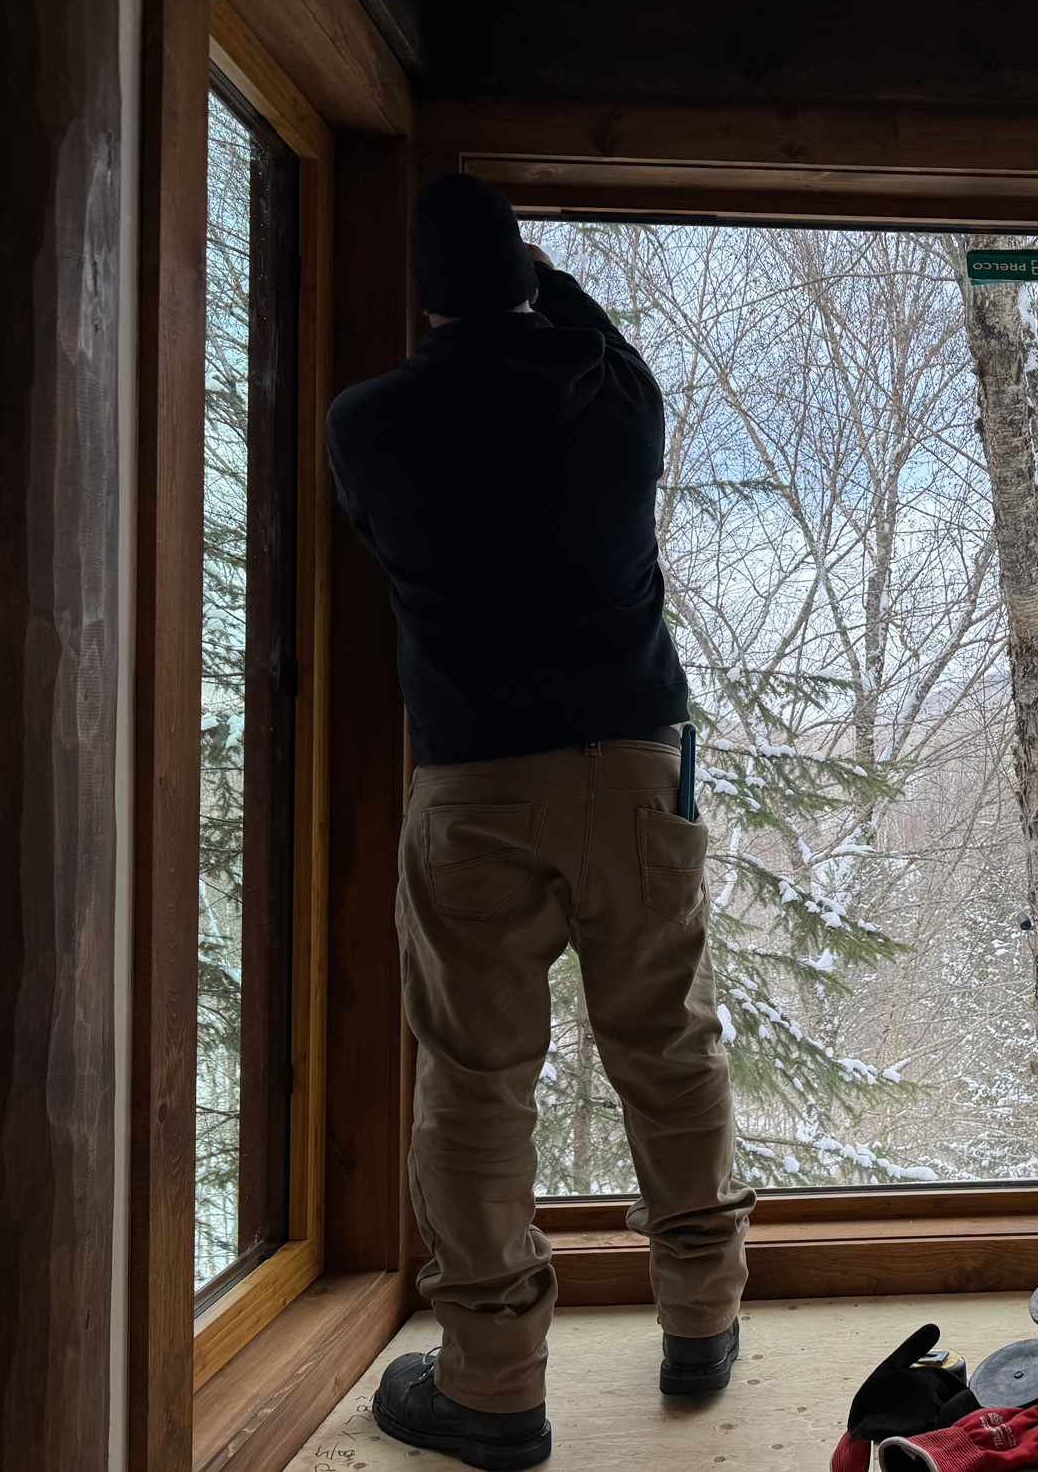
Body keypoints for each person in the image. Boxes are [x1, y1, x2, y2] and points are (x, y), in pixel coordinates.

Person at [326, 173, 753, 1469]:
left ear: (421, 293)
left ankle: (495, 1384)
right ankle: (701, 1319)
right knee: (667, 1042)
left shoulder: (372, 424)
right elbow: (585, 326)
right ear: (525, 278)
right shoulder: (618, 401)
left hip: (476, 779)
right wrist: (534, 282)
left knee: (475, 1079)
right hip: (637, 761)